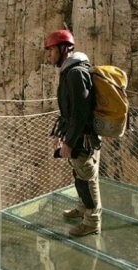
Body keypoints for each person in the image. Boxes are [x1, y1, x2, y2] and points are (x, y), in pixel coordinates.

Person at [45, 29, 102, 237]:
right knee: (79, 173)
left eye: (51, 50)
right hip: (77, 136)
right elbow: (71, 111)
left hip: (82, 138)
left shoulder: (76, 73)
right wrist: (63, 135)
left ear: (64, 49)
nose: (49, 55)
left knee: (87, 178)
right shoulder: (70, 71)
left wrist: (68, 142)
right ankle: (83, 209)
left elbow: (80, 113)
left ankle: (92, 222)